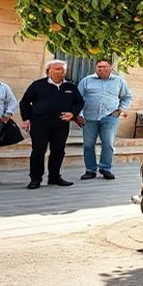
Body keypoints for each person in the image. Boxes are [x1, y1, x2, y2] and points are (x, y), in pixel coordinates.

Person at [20, 60, 84, 189]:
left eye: (61, 69)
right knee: (38, 151)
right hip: (40, 124)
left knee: (58, 151)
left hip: (61, 124)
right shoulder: (38, 85)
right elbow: (25, 102)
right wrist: (26, 119)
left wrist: (72, 113)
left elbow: (80, 102)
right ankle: (35, 179)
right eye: (56, 69)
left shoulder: (70, 86)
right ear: (49, 71)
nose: (59, 71)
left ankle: (54, 177)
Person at [77, 59, 133, 180]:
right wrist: (79, 115)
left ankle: (105, 169)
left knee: (108, 143)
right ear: (95, 68)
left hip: (110, 117)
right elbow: (78, 99)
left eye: (104, 67)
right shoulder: (86, 81)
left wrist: (120, 110)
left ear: (111, 68)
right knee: (88, 145)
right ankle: (90, 170)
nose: (101, 69)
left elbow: (127, 97)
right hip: (89, 117)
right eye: (99, 67)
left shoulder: (118, 81)